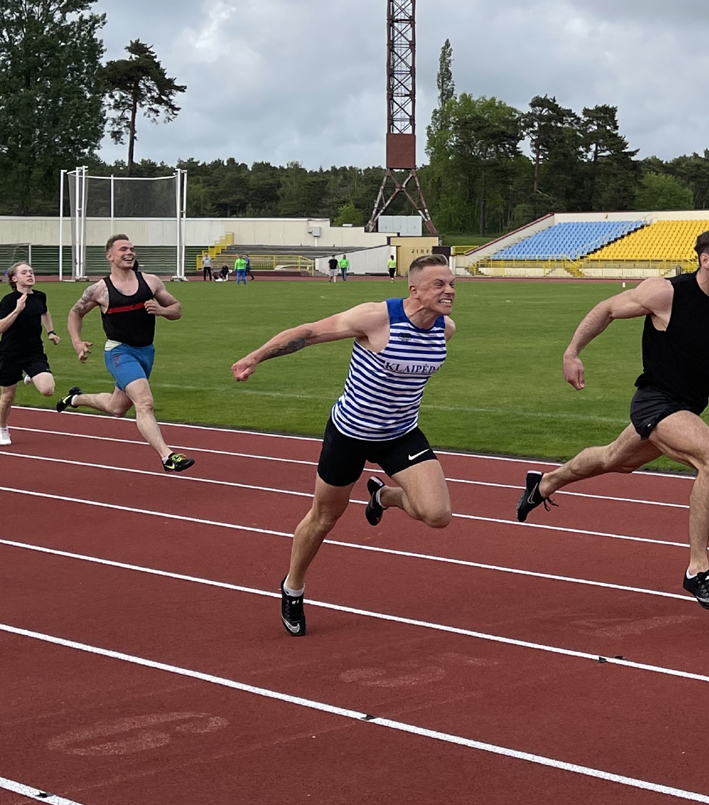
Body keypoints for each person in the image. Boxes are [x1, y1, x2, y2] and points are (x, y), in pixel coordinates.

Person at [516, 228, 709, 611]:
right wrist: (572, 352)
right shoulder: (666, 293)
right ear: (705, 260)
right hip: (655, 400)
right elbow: (607, 309)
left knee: (613, 460)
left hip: (687, 407)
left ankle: (543, 484)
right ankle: (697, 569)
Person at [231, 253, 457, 636]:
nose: (449, 290)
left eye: (452, 284)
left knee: (437, 514)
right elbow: (309, 333)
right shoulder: (375, 318)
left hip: (400, 433)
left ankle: (383, 497)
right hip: (350, 433)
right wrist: (255, 357)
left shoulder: (445, 329)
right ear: (414, 289)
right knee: (324, 518)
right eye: (439, 284)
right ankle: (293, 587)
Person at [57, 233, 194, 473]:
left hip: (146, 352)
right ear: (110, 256)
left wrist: (161, 311)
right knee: (145, 402)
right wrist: (77, 341)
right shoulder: (99, 290)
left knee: (116, 408)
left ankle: (75, 398)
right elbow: (74, 313)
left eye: (132, 248)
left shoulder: (150, 282)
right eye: (123, 249)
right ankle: (167, 456)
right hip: (119, 352)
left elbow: (177, 309)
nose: (129, 252)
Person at [0, 263, 61, 445]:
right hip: (9, 353)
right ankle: (2, 428)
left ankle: (31, 375)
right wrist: (17, 310)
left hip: (34, 352)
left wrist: (51, 332)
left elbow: (44, 313)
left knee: (48, 390)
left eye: (31, 272)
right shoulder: (9, 301)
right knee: (7, 397)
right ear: (14, 278)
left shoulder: (40, 296)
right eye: (24, 272)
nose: (29, 274)